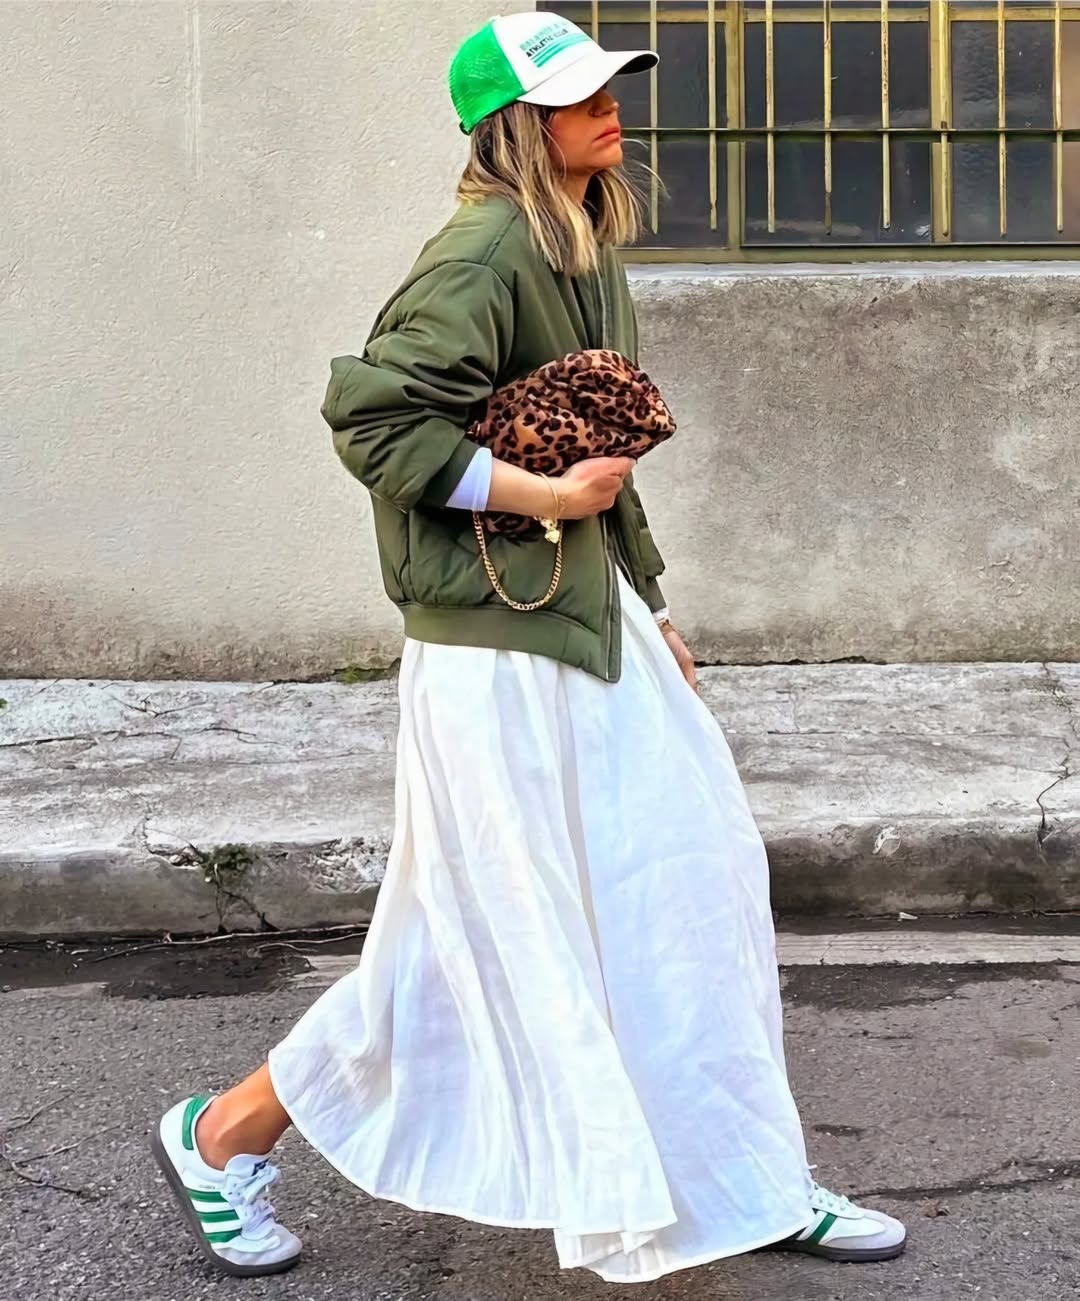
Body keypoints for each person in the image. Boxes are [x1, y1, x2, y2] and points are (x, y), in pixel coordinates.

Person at [151, 11, 907, 1284]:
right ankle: (220, 1133)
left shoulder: (582, 240)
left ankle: (738, 1176)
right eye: (579, 97)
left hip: (582, 618)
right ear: (519, 124)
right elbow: (378, 417)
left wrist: (649, 600)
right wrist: (548, 502)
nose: (612, 110)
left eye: (611, 87)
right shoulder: (490, 245)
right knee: (495, 930)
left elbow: (605, 453)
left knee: (680, 883)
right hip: (496, 650)